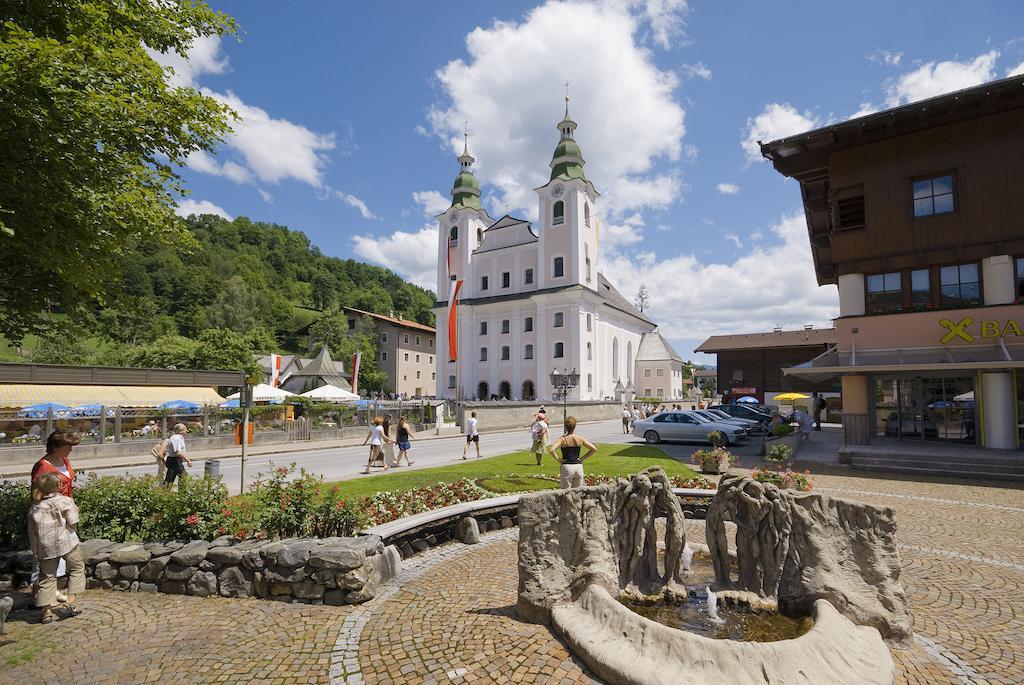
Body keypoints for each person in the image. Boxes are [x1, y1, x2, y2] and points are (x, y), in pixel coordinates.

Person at [27, 472, 86, 624]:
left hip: (45, 548)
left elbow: (32, 531)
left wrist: (36, 550)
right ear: (58, 486)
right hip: (67, 543)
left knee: (46, 578)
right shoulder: (64, 501)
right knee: (77, 569)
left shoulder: (35, 508)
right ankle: (71, 602)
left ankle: (46, 612)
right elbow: (73, 522)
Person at [548, 416, 597, 489]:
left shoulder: (563, 439)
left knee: (565, 493)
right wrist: (582, 458)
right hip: (578, 467)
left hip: (567, 467)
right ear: (575, 426)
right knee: (578, 492)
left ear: (566, 426)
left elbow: (552, 450)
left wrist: (559, 459)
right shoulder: (580, 438)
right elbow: (594, 449)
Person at [31, 431, 79, 498]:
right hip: (52, 506)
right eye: (67, 448)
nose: (70, 450)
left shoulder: (64, 460)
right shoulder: (42, 466)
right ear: (55, 447)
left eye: (71, 447)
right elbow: (36, 496)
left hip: (67, 505)